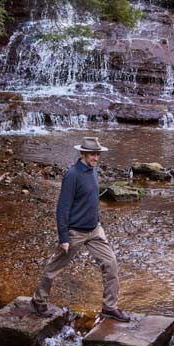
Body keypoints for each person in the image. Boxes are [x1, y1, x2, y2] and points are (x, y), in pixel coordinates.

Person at [31, 136, 131, 322]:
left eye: (97, 154)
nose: (96, 158)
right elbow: (63, 208)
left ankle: (109, 307)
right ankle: (38, 301)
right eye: (93, 154)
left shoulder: (93, 171)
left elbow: (91, 199)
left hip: (94, 230)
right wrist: (63, 237)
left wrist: (97, 220)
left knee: (110, 264)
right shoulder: (72, 175)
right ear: (83, 153)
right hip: (75, 232)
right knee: (54, 268)